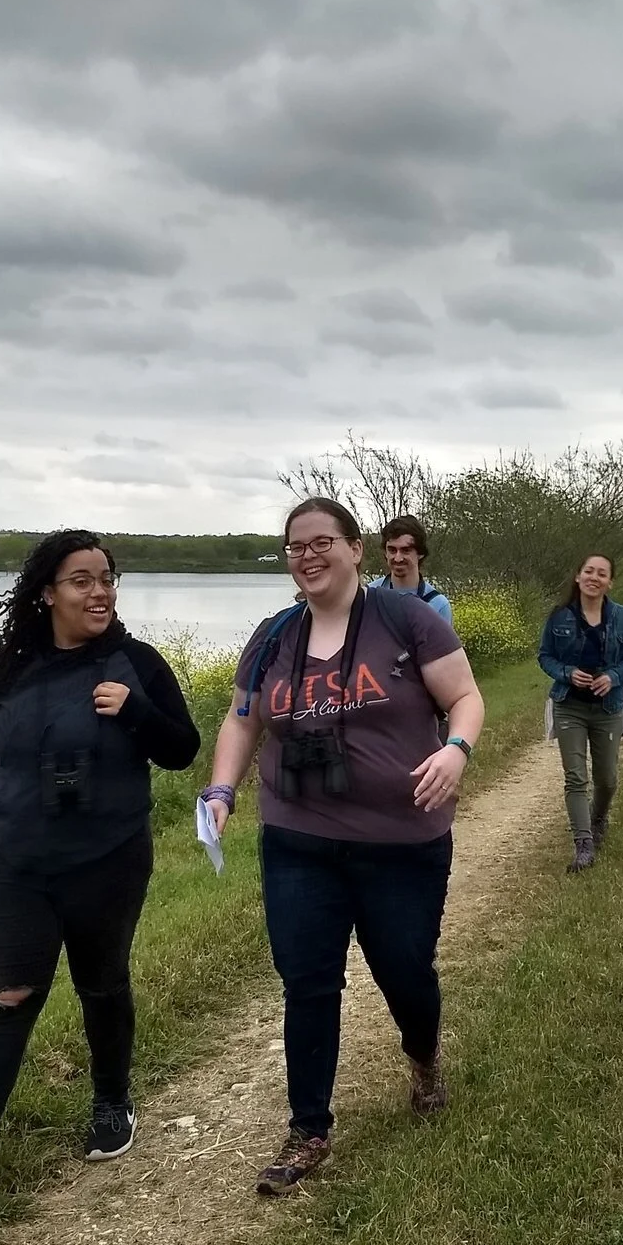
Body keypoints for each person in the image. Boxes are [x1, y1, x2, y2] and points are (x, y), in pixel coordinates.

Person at [203, 497, 484, 1195]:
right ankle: (308, 1130)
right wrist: (221, 791)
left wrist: (455, 750)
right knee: (307, 981)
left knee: (405, 973)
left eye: (322, 541)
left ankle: (422, 1058)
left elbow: (467, 697)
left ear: (355, 549)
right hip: (299, 840)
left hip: (401, 842)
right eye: (295, 546)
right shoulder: (272, 636)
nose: (308, 556)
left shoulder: (407, 619)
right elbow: (242, 721)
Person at [0, 530, 200, 1203]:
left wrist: (136, 713)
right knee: (10, 997)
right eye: (81, 580)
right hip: (16, 863)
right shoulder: (9, 668)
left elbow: (182, 749)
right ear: (47, 593)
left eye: (107, 578)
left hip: (109, 857)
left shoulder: (136, 663)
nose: (99, 591)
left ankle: (111, 1102)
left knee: (101, 984)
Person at [538, 552, 623, 873]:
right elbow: (545, 657)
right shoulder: (559, 617)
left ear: (610, 582)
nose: (594, 578)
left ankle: (598, 820)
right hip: (569, 705)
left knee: (607, 780)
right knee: (575, 777)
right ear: (578, 576)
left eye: (601, 574)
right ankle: (583, 845)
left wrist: (613, 677)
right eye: (588, 571)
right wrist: (567, 672)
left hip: (609, 707)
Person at [368, 514, 454, 624]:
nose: (398, 558)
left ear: (420, 553)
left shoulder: (438, 605)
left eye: (406, 550)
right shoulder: (369, 596)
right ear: (385, 552)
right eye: (392, 550)